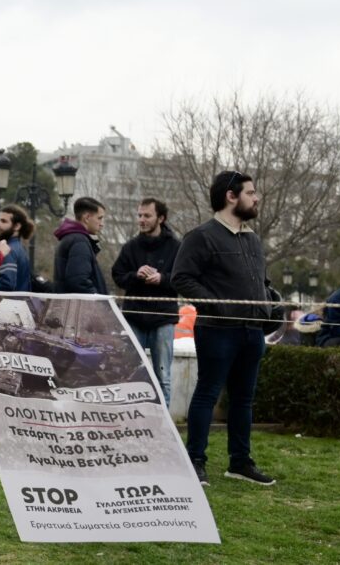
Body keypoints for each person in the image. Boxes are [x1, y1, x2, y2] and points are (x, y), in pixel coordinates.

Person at [172, 170, 276, 486]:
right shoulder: (201, 236)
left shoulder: (253, 239)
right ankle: (195, 462)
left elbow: (262, 281)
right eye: (251, 192)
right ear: (231, 196)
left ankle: (240, 463)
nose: (256, 198)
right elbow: (181, 278)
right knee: (207, 393)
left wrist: (270, 302)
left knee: (243, 399)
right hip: (217, 330)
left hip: (252, 331)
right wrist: (218, 303)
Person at [111, 198, 181, 408]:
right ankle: (132, 423)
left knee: (163, 377)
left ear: (161, 218)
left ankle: (163, 428)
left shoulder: (177, 247)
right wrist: (135, 275)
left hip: (163, 320)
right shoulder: (130, 247)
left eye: (147, 215)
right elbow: (117, 275)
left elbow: (185, 279)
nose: (141, 220)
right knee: (130, 374)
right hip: (134, 318)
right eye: (139, 215)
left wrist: (163, 279)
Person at [53, 197, 108, 294]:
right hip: (81, 307)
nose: (102, 224)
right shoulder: (79, 241)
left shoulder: (71, 238)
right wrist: (98, 300)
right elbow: (78, 281)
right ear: (87, 218)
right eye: (99, 218)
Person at [0, 205, 34, 292]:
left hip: (5, 304)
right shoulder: (19, 248)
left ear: (17, 226)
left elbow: (6, 284)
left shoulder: (8, 250)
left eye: (3, 221)